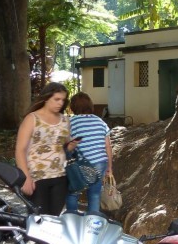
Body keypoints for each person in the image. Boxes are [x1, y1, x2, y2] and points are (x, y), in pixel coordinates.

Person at [15, 82, 74, 215]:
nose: (60, 103)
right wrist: (25, 178)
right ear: (46, 98)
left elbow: (62, 146)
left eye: (63, 100)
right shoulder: (32, 119)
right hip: (37, 176)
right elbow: (20, 150)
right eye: (56, 99)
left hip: (60, 176)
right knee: (38, 220)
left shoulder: (65, 121)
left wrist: (71, 146)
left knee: (55, 218)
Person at [65, 92, 113, 214]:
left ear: (73, 107)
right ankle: (92, 223)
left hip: (80, 163)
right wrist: (109, 168)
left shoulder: (71, 122)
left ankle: (72, 218)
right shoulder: (100, 121)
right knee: (95, 194)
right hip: (99, 162)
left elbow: (67, 144)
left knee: (73, 192)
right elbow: (108, 146)